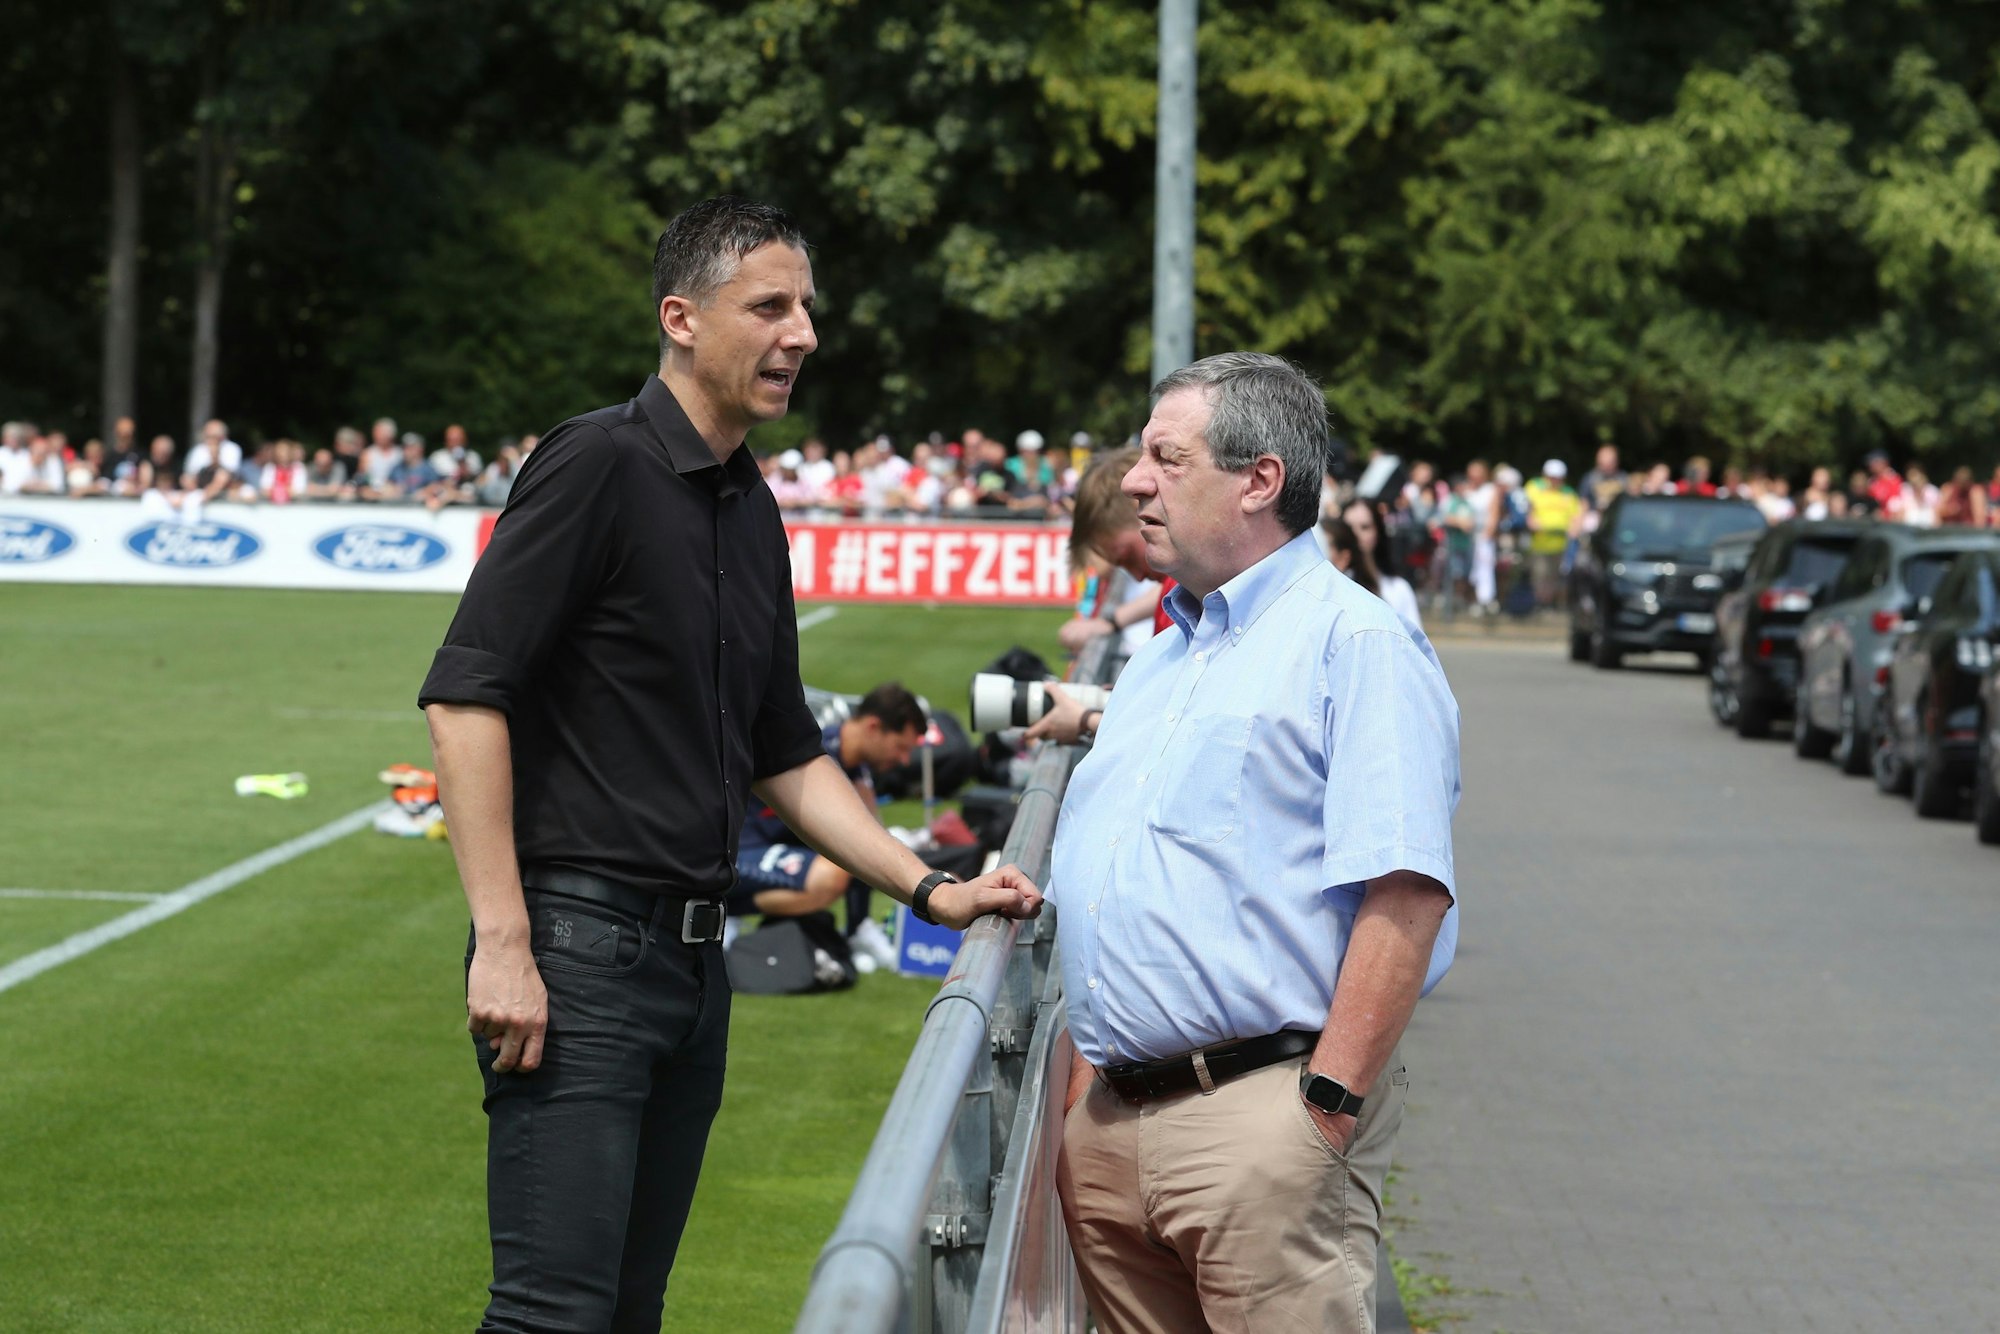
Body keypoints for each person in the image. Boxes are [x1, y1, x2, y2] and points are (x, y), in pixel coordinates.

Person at [417, 195, 1042, 1334]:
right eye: (769, 305)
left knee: (627, 1312)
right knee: (551, 1315)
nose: (801, 331)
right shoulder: (593, 462)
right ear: (681, 319)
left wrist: (928, 884)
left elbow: (783, 753)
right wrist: (502, 940)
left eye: (806, 307)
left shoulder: (752, 507)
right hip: (577, 955)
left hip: (694, 971)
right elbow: (465, 696)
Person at [1050, 352, 1459, 1334]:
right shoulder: (1162, 657)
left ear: (1258, 479)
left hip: (1258, 1117)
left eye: (1164, 456)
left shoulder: (1351, 642)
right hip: (1114, 1121)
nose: (1135, 479)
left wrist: (1321, 1102)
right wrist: (1080, 1109)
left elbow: (1405, 889)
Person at [730, 682, 931, 973]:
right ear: (874, 727)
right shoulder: (816, 752)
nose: (902, 760)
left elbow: (872, 838)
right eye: (901, 747)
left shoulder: (855, 767)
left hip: (772, 848)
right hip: (741, 851)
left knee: (866, 842)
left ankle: (857, 926)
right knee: (830, 876)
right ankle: (729, 911)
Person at [1341, 495, 1423, 630]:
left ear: (1378, 531)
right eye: (1348, 527)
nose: (1355, 534)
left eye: (1365, 527)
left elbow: (1416, 644)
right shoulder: (1328, 587)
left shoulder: (1397, 589)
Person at [1522, 458, 1583, 610]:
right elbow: (1525, 507)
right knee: (1539, 575)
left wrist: (1575, 528)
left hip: (1561, 544)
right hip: (1539, 543)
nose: (1554, 480)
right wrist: (1531, 520)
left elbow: (1576, 516)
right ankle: (1539, 604)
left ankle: (1548, 605)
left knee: (1554, 577)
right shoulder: (1534, 488)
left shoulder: (1568, 494)